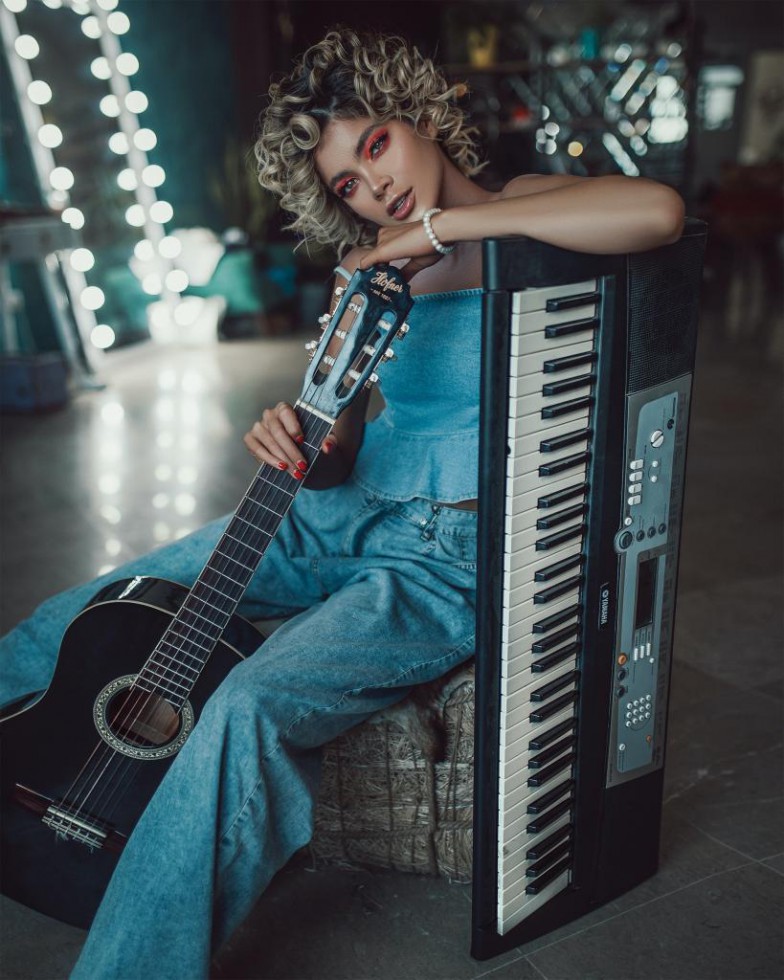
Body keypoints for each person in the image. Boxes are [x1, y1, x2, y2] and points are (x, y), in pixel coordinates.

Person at [0, 27, 685, 980]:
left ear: (418, 114)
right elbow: (342, 450)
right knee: (77, 613)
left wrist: (438, 233)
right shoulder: (364, 272)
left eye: (376, 146)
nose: (375, 188)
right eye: (349, 184)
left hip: (451, 553)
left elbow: (658, 211)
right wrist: (297, 441)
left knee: (250, 704)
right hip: (342, 511)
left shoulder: (524, 210)